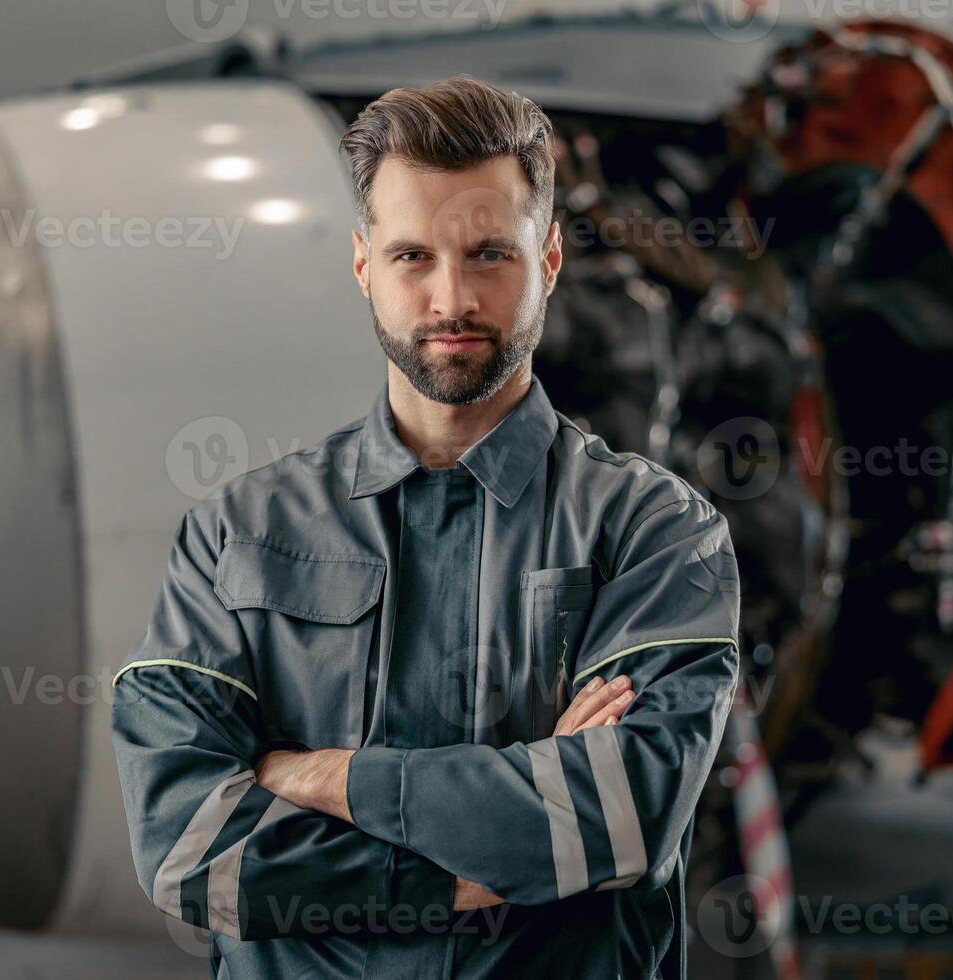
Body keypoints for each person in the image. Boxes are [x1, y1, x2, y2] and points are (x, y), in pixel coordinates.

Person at [111, 74, 740, 980]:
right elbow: (186, 850)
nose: (453, 300)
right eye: (413, 257)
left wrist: (317, 777)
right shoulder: (234, 535)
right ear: (364, 263)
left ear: (550, 259)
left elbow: (617, 824)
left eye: (491, 254)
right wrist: (497, 843)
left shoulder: (656, 534)